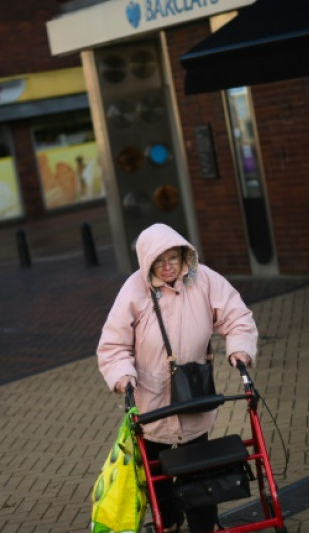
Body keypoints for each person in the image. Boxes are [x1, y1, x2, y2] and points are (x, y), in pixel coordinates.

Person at [97, 223, 257, 533]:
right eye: (160, 261)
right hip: (151, 401)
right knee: (156, 472)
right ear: (148, 263)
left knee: (197, 470)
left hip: (193, 395)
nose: (169, 267)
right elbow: (113, 344)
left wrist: (239, 349)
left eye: (174, 257)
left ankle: (204, 525)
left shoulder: (205, 279)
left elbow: (237, 316)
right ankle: (168, 521)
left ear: (185, 254)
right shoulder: (134, 290)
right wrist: (122, 376)